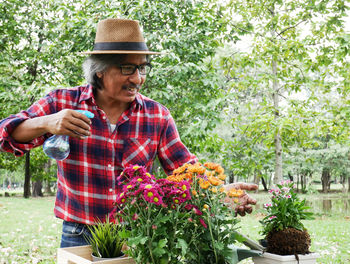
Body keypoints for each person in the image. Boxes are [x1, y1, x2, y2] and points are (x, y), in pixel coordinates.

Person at [0, 18, 257, 248]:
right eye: (127, 68)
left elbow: (185, 170)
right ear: (99, 70)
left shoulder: (156, 116)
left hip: (138, 234)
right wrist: (48, 122)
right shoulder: (63, 102)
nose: (137, 78)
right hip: (79, 233)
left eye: (142, 68)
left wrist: (219, 193)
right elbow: (6, 134)